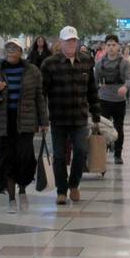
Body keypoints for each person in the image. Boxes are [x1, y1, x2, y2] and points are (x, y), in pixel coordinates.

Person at [0, 39, 48, 213]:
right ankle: (11, 198)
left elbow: (39, 97)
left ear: (21, 51)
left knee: (24, 158)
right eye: (8, 48)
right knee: (7, 159)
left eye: (14, 49)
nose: (11, 51)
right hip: (5, 122)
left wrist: (43, 121)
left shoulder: (32, 71)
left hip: (26, 122)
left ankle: (23, 191)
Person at [39, 26, 102, 206]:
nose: (71, 44)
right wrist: (42, 118)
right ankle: (61, 190)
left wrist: (96, 114)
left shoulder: (86, 61)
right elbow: (41, 93)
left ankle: (74, 184)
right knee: (59, 156)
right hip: (58, 117)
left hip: (80, 117)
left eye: (74, 40)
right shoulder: (50, 64)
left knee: (81, 152)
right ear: (61, 43)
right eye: (68, 41)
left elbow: (92, 90)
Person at [95, 34, 130, 164]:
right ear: (104, 47)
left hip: (119, 101)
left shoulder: (125, 63)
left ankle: (118, 154)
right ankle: (102, 153)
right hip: (104, 99)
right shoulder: (100, 63)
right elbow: (94, 82)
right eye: (109, 45)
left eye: (114, 45)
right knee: (102, 128)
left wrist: (125, 87)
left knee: (118, 127)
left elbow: (129, 79)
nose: (111, 48)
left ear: (118, 46)